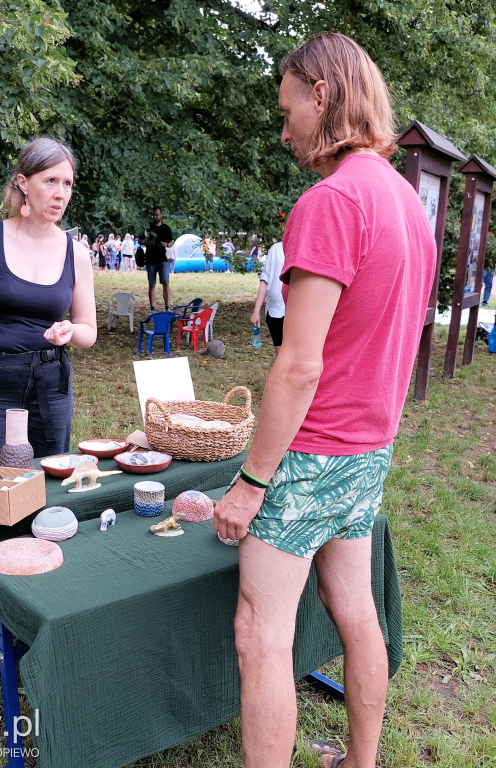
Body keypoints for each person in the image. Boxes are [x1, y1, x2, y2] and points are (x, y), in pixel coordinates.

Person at [213, 33, 436, 768]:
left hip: (311, 454)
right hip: (369, 449)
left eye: (287, 112)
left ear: (321, 94)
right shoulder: (406, 202)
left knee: (260, 631)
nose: (283, 133)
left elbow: (297, 366)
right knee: (356, 610)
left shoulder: (330, 201)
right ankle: (360, 762)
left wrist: (249, 484)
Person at [0, 137, 97, 464]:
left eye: (67, 183)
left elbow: (89, 331)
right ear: (24, 183)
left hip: (51, 385)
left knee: (48, 485)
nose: (60, 193)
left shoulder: (77, 254)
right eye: (50, 181)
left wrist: (70, 330)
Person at [251, 239, 285, 355]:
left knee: (290, 357)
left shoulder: (304, 248)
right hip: (275, 311)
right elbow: (265, 280)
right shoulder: (275, 249)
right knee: (280, 355)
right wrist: (256, 312)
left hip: (297, 312)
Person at [145, 207, 174, 311]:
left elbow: (171, 242)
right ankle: (152, 308)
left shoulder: (166, 228)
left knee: (165, 283)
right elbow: (140, 240)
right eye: (154, 215)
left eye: (157, 215)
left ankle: (167, 307)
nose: (155, 217)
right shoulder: (147, 228)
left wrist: (166, 244)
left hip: (162, 259)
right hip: (150, 259)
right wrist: (148, 242)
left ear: (161, 215)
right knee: (152, 284)